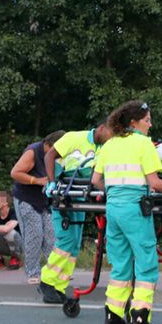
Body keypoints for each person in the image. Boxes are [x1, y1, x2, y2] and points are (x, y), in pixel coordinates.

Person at [92, 100, 162, 324]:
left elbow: (95, 180)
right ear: (134, 123)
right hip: (135, 209)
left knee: (121, 263)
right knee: (146, 263)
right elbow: (154, 183)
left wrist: (115, 191)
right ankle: (140, 320)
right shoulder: (143, 144)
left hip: (113, 209)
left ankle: (113, 317)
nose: (150, 124)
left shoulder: (109, 144)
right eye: (147, 120)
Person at [38, 123, 112, 303]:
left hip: (81, 196)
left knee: (74, 243)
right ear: (102, 127)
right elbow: (50, 156)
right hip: (65, 193)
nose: (111, 138)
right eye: (110, 134)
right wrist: (51, 181)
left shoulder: (106, 147)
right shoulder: (73, 138)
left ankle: (59, 286)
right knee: (66, 240)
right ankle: (47, 282)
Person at [10, 130, 65, 284]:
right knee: (34, 236)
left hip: (44, 201)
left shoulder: (54, 157)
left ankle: (52, 272)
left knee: (51, 236)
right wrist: (36, 180)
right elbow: (15, 172)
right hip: (26, 199)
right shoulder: (33, 151)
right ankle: (33, 273)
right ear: (53, 145)